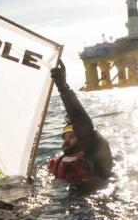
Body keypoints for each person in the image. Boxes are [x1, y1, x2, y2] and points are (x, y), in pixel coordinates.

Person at [49, 60, 114, 188]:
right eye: (65, 137)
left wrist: (63, 88)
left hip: (92, 203)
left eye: (72, 136)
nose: (66, 141)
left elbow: (82, 122)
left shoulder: (93, 158)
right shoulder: (59, 161)